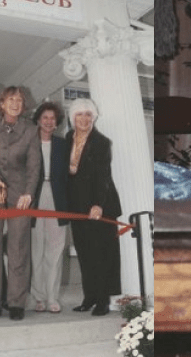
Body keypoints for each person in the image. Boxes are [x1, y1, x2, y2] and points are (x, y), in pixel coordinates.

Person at [0, 86, 40, 321]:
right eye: (11, 99)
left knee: (18, 250)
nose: (15, 103)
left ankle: (16, 303)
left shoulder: (31, 130)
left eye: (20, 100)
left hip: (20, 196)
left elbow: (34, 167)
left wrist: (28, 193)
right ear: (1, 104)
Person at [66, 98, 122, 316]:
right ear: (73, 118)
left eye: (88, 114)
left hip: (100, 205)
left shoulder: (101, 142)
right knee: (85, 253)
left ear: (93, 118)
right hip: (77, 206)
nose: (84, 119)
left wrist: (98, 204)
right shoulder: (67, 140)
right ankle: (89, 297)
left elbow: (103, 177)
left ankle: (103, 301)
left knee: (102, 254)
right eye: (79, 114)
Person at [30, 102, 69, 314]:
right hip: (35, 197)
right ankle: (38, 297)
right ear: (38, 119)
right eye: (45, 117)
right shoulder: (29, 142)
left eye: (52, 118)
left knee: (55, 250)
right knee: (36, 249)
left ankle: (52, 297)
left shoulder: (63, 145)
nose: (48, 122)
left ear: (57, 123)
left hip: (57, 199)